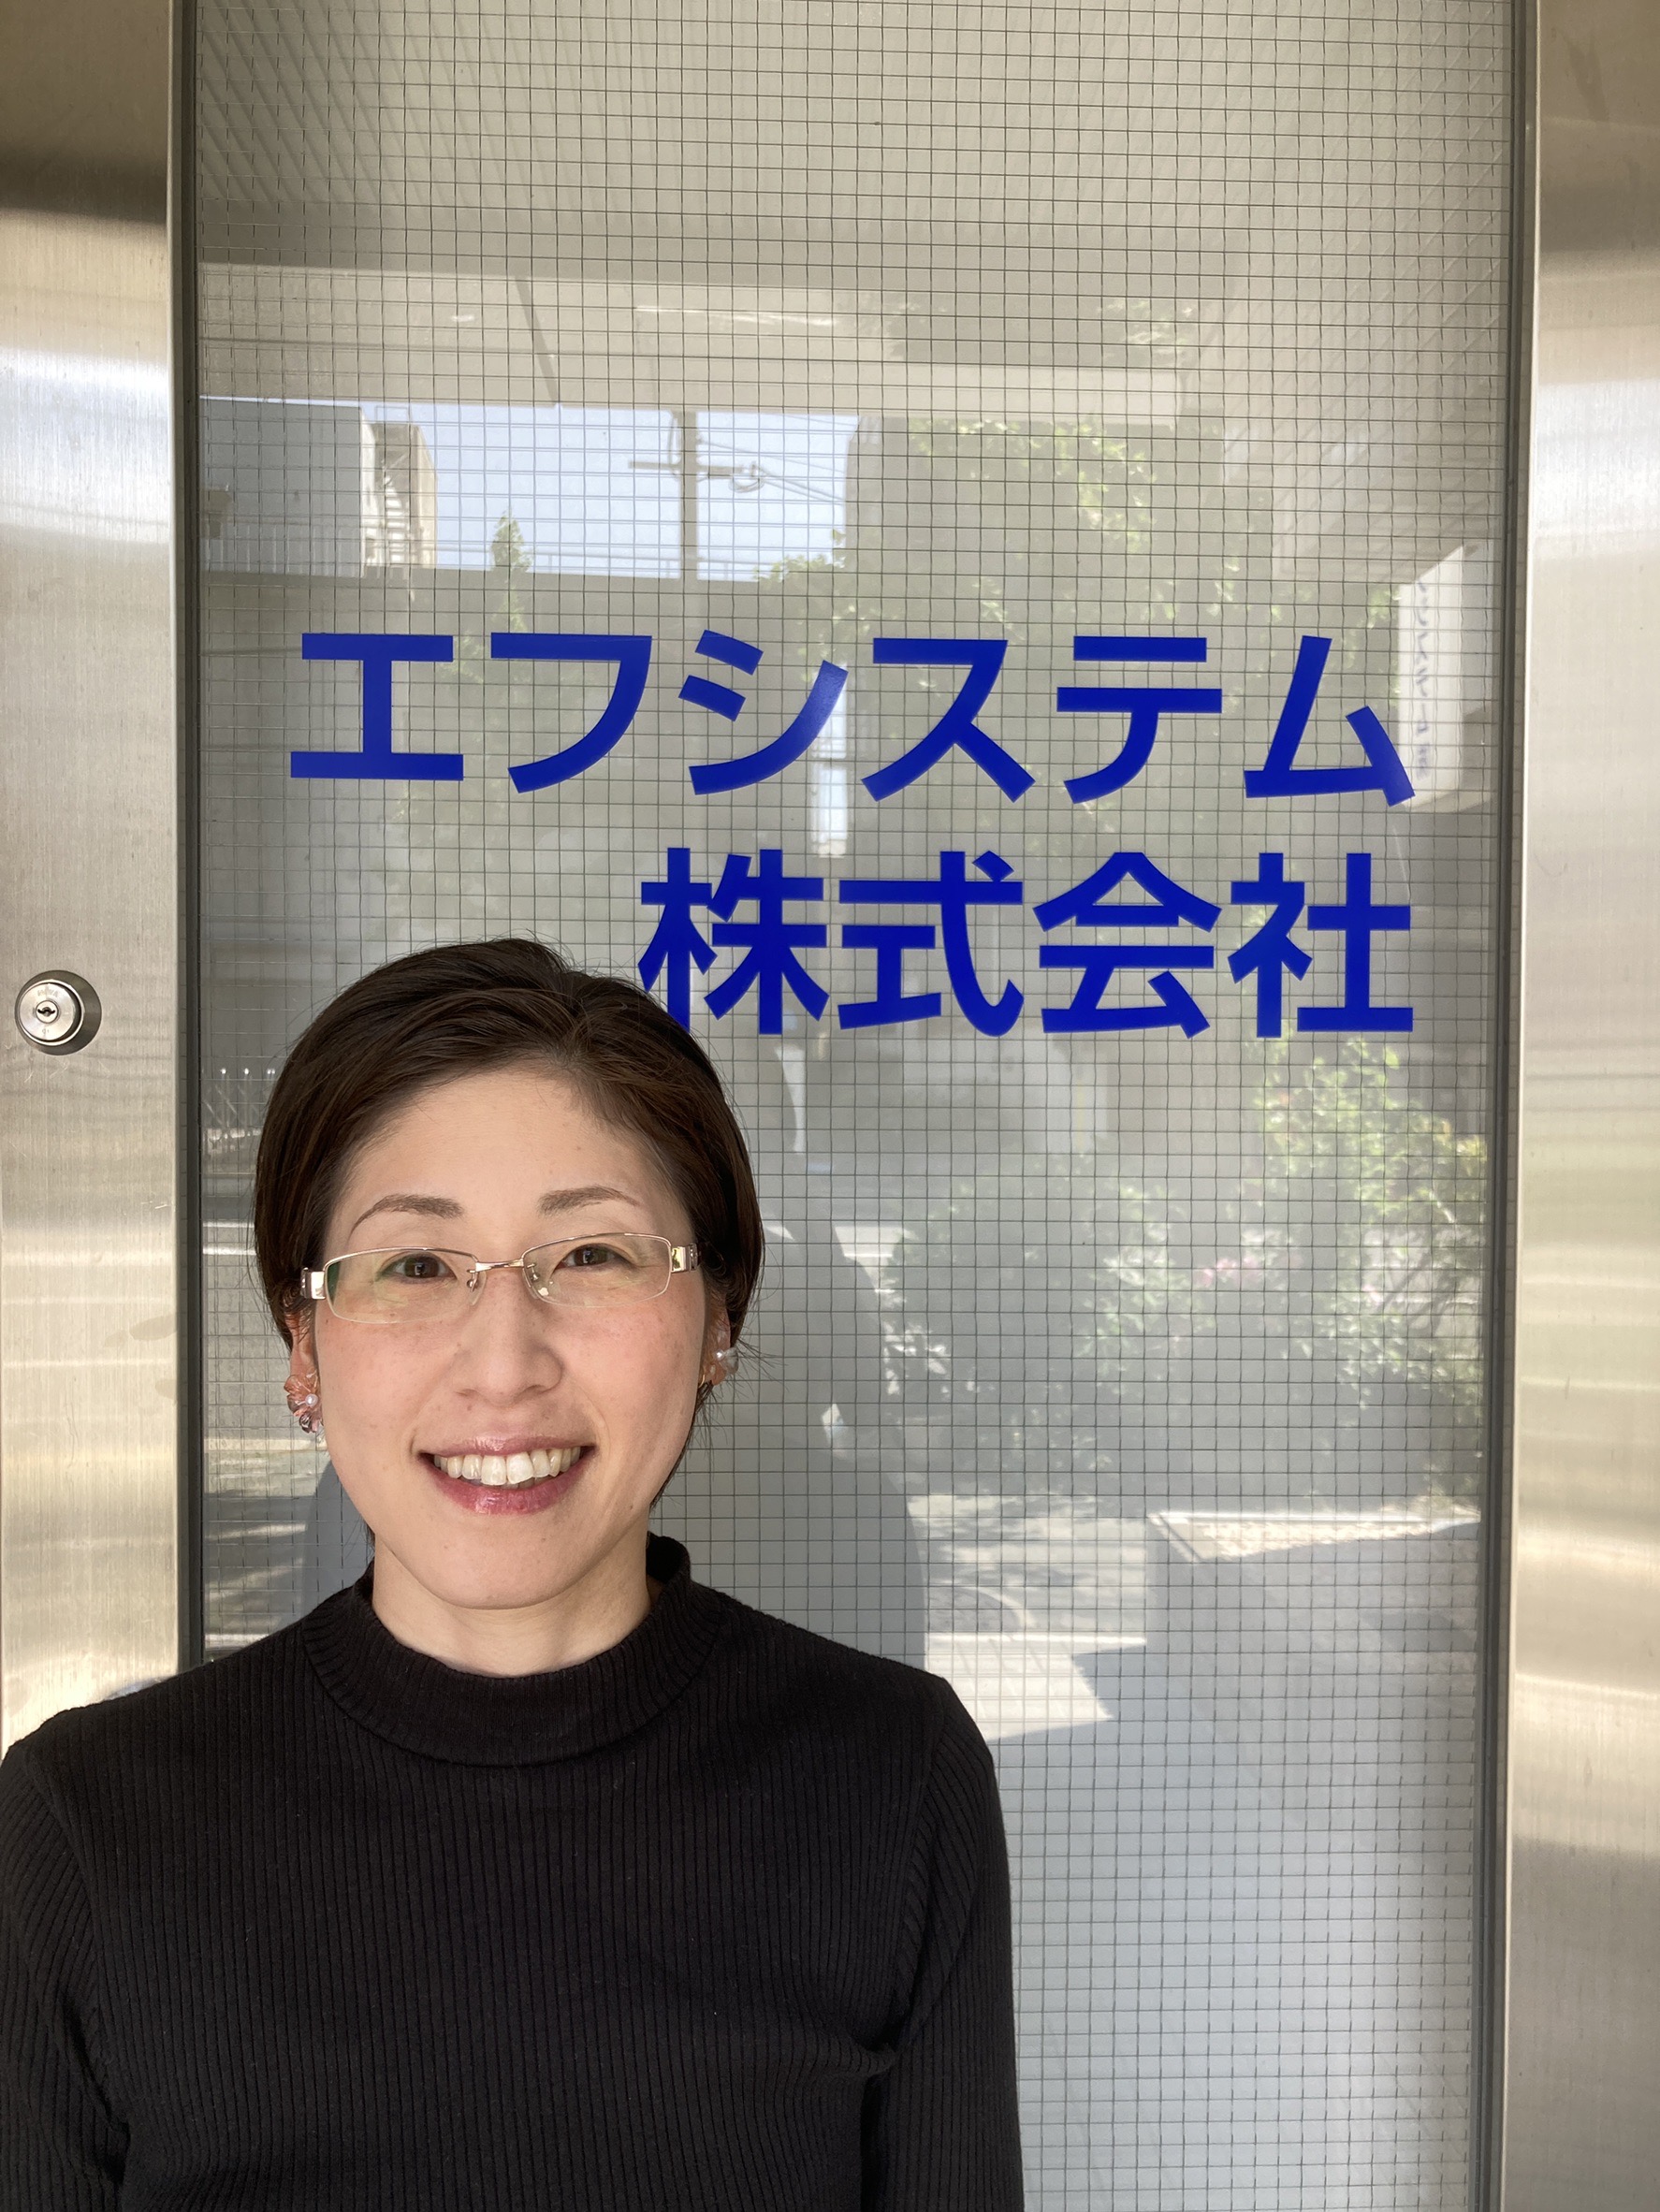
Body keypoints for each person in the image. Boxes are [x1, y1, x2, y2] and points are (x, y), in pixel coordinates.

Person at [0, 939, 1023, 2209]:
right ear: (301, 1339)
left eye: (592, 1256)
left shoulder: (889, 1778)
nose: (503, 1365)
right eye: (413, 1266)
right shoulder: (86, 1827)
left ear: (718, 1317)